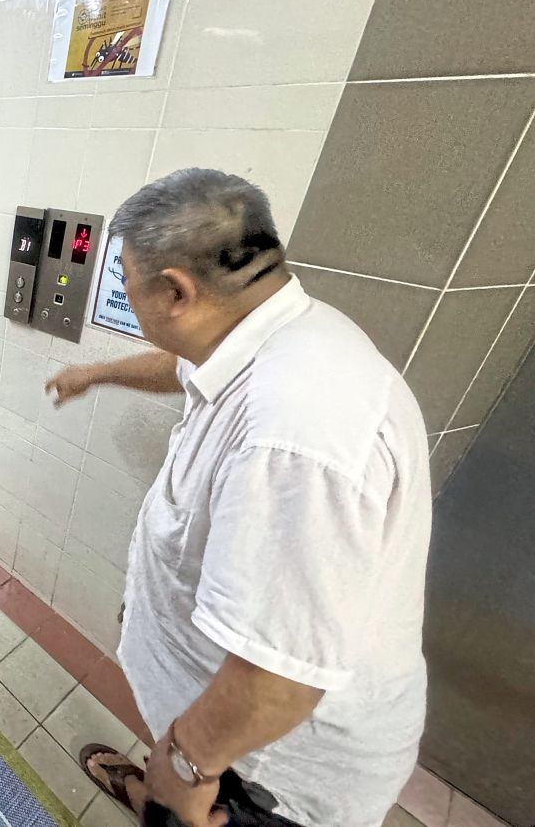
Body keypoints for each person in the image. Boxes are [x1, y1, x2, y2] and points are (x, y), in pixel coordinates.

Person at [46, 169, 431, 827]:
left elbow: (279, 679)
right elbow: (185, 361)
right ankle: (152, 795)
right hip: (212, 728)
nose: (126, 294)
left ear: (174, 291)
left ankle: (161, 797)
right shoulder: (268, 329)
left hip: (262, 770)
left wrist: (188, 765)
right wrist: (99, 372)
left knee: (187, 810)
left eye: (125, 281)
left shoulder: (295, 437)